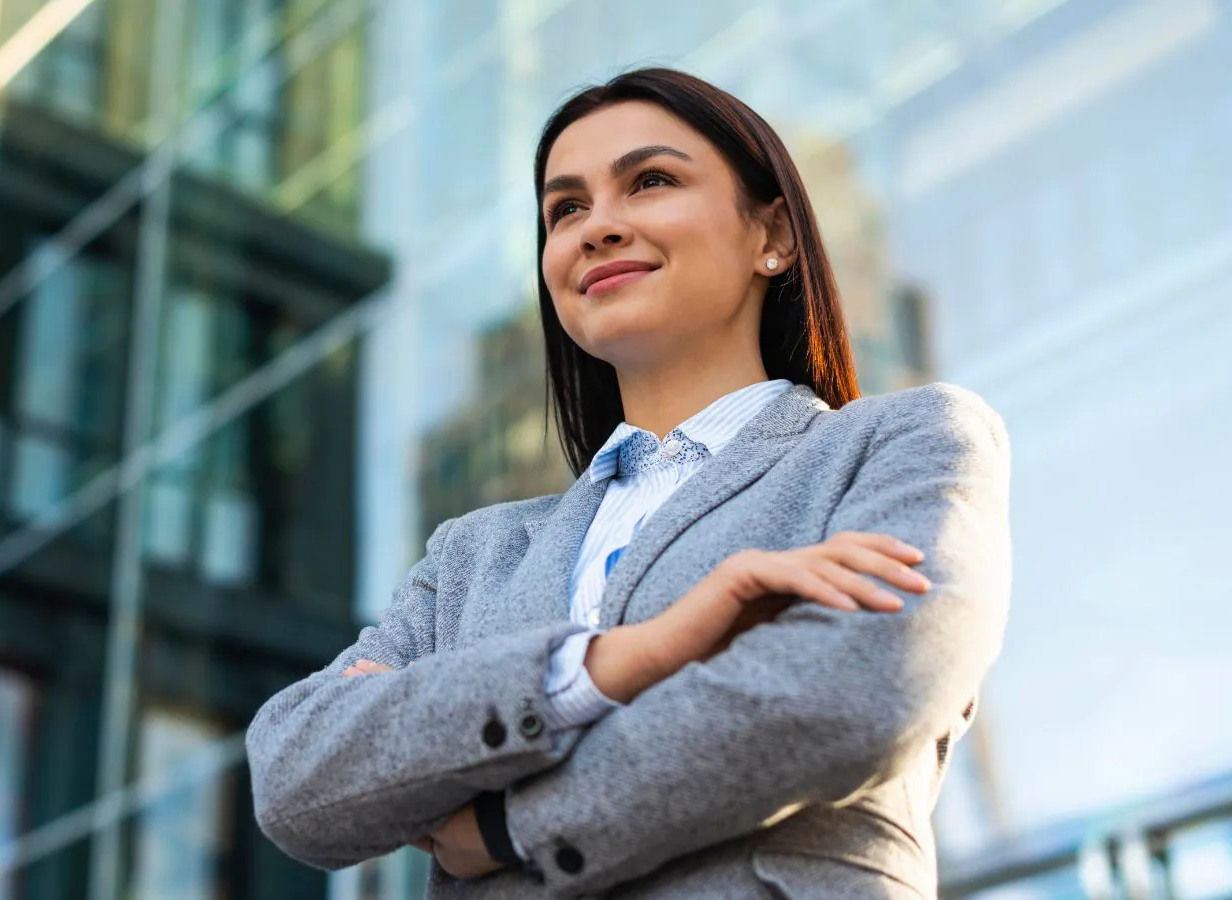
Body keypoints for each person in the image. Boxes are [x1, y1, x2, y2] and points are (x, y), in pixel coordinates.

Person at [247, 67, 1011, 898]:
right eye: (564, 209)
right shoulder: (473, 554)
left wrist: (504, 823)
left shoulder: (904, 443)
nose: (597, 227)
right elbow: (296, 779)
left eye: (650, 181)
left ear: (775, 237)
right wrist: (617, 661)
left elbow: (856, 692)